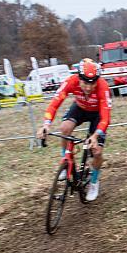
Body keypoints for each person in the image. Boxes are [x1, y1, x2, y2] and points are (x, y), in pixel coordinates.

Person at [37, 58, 112, 201]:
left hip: (97, 114)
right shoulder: (71, 81)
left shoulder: (103, 87)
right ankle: (66, 161)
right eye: (85, 83)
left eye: (92, 83)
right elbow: (54, 103)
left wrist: (96, 136)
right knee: (64, 128)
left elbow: (105, 118)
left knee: (97, 151)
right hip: (80, 108)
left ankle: (94, 182)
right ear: (79, 78)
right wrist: (46, 124)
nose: (89, 88)